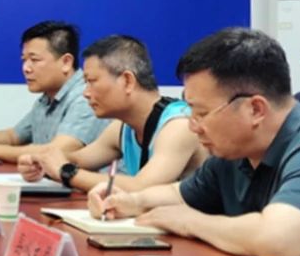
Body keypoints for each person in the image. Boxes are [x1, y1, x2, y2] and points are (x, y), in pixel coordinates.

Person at [90, 28, 300, 256]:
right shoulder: (236, 152)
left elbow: (278, 241)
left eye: (201, 114)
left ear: (255, 109)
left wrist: (189, 221)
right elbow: (179, 194)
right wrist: (128, 201)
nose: (193, 126)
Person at [18, 35, 205, 192]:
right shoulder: (122, 128)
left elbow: (141, 187)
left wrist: (66, 173)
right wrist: (40, 162)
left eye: (91, 81)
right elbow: (78, 159)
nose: (86, 93)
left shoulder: (179, 125)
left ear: (127, 81)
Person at [0, 21, 107, 162]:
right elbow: (13, 136)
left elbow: (57, 150)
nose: (26, 68)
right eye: (24, 60)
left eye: (34, 60)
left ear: (66, 62)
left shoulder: (85, 97)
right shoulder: (46, 99)